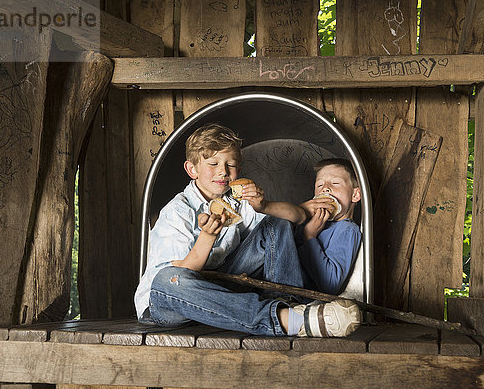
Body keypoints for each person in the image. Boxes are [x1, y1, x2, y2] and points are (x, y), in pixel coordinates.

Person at [134, 123, 360, 337]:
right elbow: (185, 271)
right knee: (167, 279)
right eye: (213, 164)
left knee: (275, 222)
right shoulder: (178, 210)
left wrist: (264, 206)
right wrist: (208, 236)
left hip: (220, 293)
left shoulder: (237, 202)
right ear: (191, 169)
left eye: (230, 165)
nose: (222, 172)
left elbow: (296, 218)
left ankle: (291, 306)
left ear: (238, 169)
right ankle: (284, 320)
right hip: (172, 300)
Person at [244, 158, 362, 295]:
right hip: (265, 283)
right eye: (319, 185)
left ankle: (281, 299)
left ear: (355, 194)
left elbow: (331, 284)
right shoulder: (311, 221)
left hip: (297, 295)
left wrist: (309, 237)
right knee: (277, 222)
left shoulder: (347, 229)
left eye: (335, 183)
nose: (326, 188)